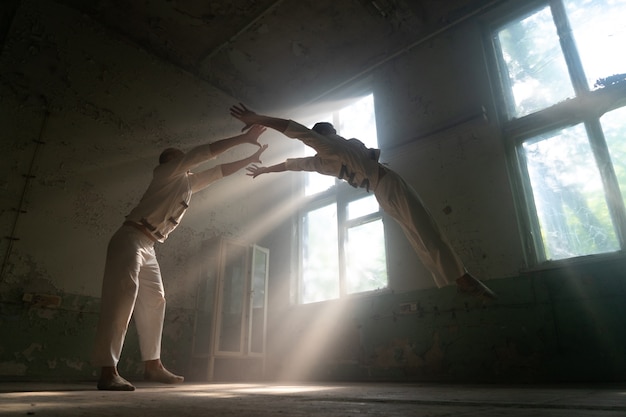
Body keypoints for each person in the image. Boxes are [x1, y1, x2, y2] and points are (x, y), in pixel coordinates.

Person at [229, 103, 496, 300]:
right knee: (424, 227)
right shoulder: (331, 145)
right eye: (332, 131)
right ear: (327, 133)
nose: (336, 133)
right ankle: (463, 278)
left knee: (418, 234)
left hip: (381, 193)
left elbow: (291, 165)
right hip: (387, 183)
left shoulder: (322, 162)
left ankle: (456, 279)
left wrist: (265, 170)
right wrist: (257, 117)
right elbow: (295, 130)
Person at [93, 125, 268, 391]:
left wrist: (249, 159)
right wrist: (243, 139)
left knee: (156, 300)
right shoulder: (165, 173)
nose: (184, 159)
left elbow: (218, 172)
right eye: (179, 156)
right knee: (122, 296)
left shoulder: (186, 182)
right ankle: (108, 371)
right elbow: (204, 154)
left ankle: (153, 366)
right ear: (170, 161)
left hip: (149, 245)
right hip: (129, 238)